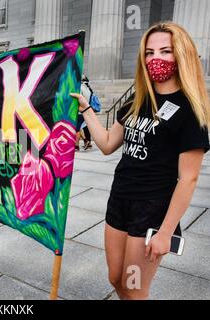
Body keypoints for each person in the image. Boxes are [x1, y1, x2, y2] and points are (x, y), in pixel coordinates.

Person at [71, 22, 210, 300]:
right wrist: (86, 111)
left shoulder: (190, 111)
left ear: (180, 55)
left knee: (134, 287)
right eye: (149, 52)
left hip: (152, 210)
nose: (155, 58)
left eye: (165, 51)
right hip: (119, 200)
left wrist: (165, 232)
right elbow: (109, 144)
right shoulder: (137, 100)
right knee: (115, 278)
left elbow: (189, 178)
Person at [75, 75, 93, 150]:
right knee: (78, 128)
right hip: (85, 111)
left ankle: (76, 146)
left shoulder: (80, 88)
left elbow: (78, 99)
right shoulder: (88, 89)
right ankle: (86, 141)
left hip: (79, 111)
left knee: (77, 129)